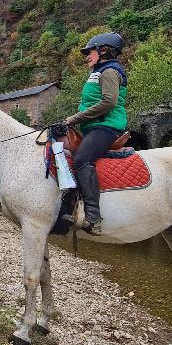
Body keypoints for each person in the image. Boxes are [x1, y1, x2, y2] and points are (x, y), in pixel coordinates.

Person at [61, 31, 127, 235]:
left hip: (107, 126)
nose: (87, 56)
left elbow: (109, 102)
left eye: (90, 52)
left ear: (104, 51)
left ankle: (93, 218)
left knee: (82, 159)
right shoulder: (98, 71)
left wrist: (75, 118)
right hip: (94, 126)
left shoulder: (109, 71)